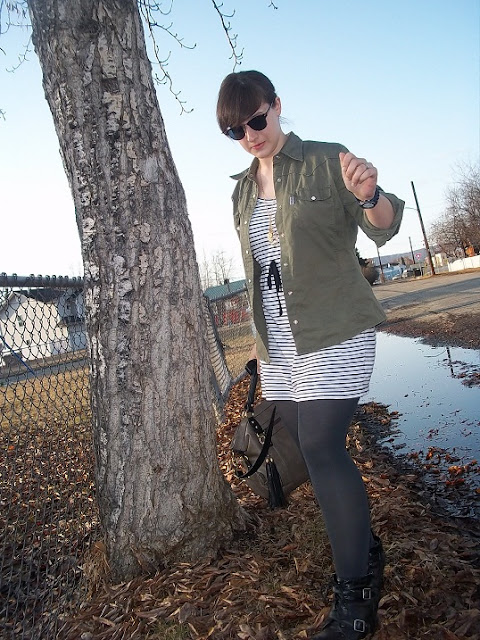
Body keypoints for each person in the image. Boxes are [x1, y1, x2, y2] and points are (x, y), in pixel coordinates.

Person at [216, 70, 404, 640]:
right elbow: (257, 274)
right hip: (280, 343)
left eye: (256, 119)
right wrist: (260, 348)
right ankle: (361, 547)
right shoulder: (242, 191)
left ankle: (356, 601)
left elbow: (383, 226)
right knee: (307, 447)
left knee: (322, 446)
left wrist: (370, 195)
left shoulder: (326, 160)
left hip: (335, 329)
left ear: (277, 105)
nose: (250, 135)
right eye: (235, 130)